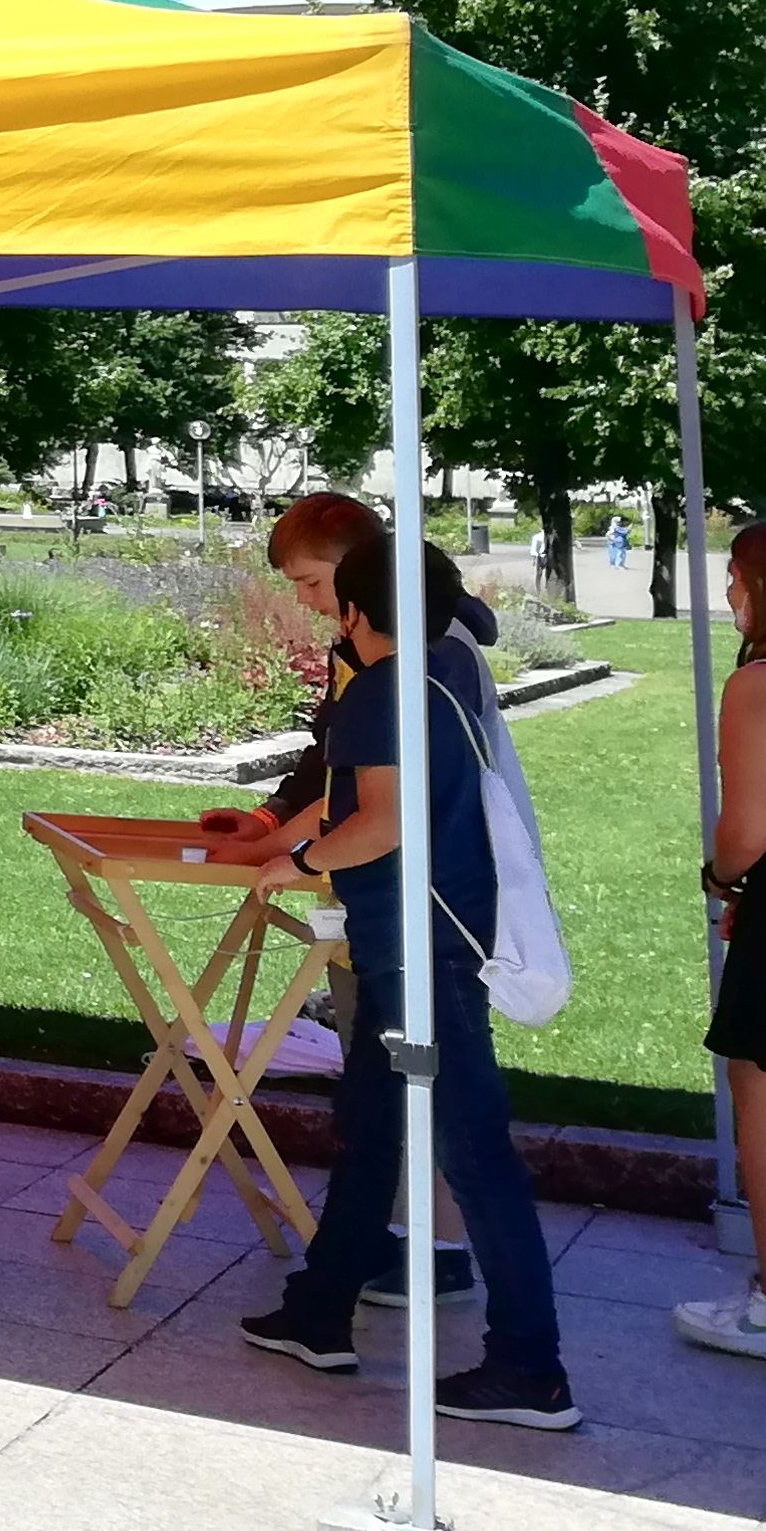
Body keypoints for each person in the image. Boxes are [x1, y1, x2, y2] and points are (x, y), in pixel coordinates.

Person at [239, 523, 576, 1428]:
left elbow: (380, 822)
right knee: (373, 1119)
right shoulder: (447, 667)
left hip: (417, 947)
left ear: (356, 610)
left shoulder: (382, 690)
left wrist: (298, 861)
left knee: (472, 1150)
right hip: (435, 935)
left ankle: (530, 1366)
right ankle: (320, 1307)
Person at [264, 490, 492, 1306]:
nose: (308, 603)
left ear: (362, 580)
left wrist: (299, 852)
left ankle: (439, 1245)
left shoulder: (414, 662)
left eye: (313, 583)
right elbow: (336, 765)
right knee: (383, 1084)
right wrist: (274, 824)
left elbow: (382, 806)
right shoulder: (386, 654)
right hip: (399, 901)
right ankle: (377, 1244)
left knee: (418, 1083)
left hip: (418, 908)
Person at [684, 517, 766, 1367]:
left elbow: (747, 832)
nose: (729, 590)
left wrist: (721, 877)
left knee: (765, 1105)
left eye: (736, 574)